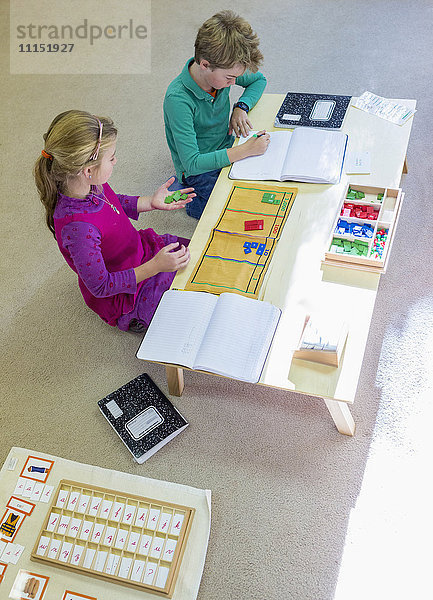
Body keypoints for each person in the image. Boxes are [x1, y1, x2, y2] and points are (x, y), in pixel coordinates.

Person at [34, 110, 194, 333]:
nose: (116, 161)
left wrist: (152, 202)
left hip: (141, 251)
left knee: (198, 252)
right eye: (111, 158)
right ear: (88, 170)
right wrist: (156, 266)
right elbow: (101, 286)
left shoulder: (90, 184)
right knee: (183, 313)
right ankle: (137, 319)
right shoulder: (78, 229)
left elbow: (113, 202)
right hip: (125, 291)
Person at [163, 9, 270, 219]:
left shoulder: (219, 71)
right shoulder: (177, 100)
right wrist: (245, 151)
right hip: (197, 169)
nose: (233, 83)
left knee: (264, 190)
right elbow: (192, 163)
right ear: (205, 65)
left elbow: (259, 80)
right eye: (230, 78)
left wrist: (241, 106)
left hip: (225, 147)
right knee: (238, 212)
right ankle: (191, 201)